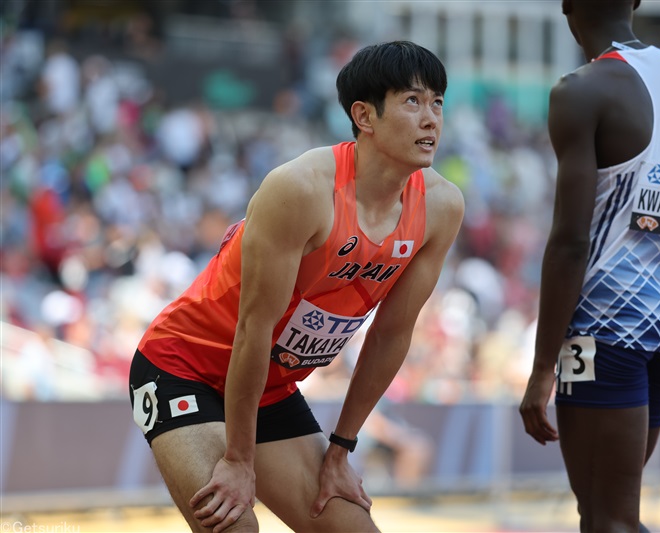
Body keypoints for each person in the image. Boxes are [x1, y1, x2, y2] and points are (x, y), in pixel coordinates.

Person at [128, 40, 464, 533]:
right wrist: (240, 460)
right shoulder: (301, 189)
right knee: (234, 526)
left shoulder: (441, 207)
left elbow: (392, 335)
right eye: (413, 101)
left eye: (437, 102)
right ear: (364, 117)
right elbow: (252, 328)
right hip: (184, 367)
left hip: (268, 387)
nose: (432, 118)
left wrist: (340, 449)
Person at [519, 1, 660, 532]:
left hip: (602, 335)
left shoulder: (580, 90)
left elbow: (568, 243)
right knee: (606, 514)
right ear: (636, 1)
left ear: (566, 7)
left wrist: (541, 370)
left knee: (608, 519)